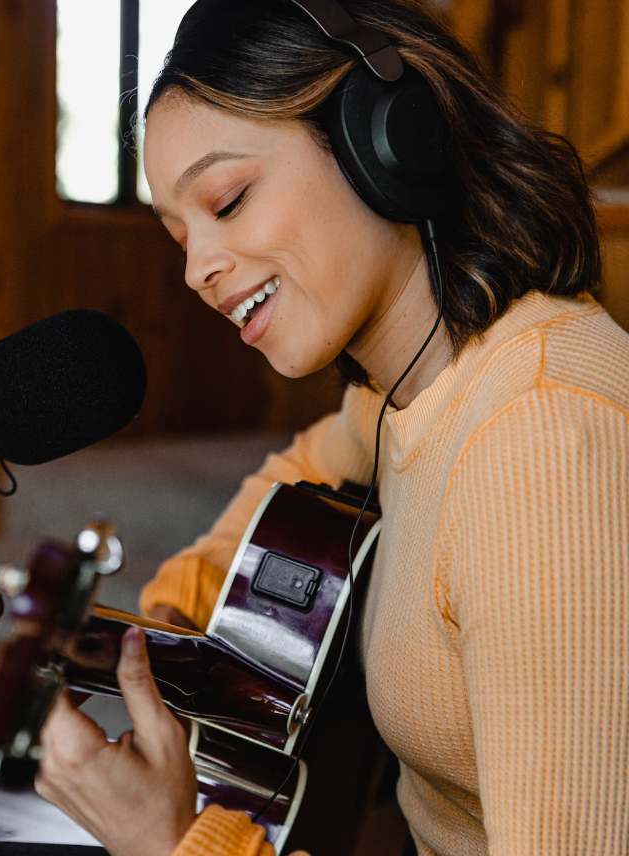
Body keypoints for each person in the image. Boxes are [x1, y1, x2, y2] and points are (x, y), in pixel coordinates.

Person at [31, 2, 629, 856]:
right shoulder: (409, 396)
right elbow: (303, 465)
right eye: (179, 236)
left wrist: (171, 841)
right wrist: (165, 617)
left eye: (227, 200)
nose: (199, 269)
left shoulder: (542, 434)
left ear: (385, 140)